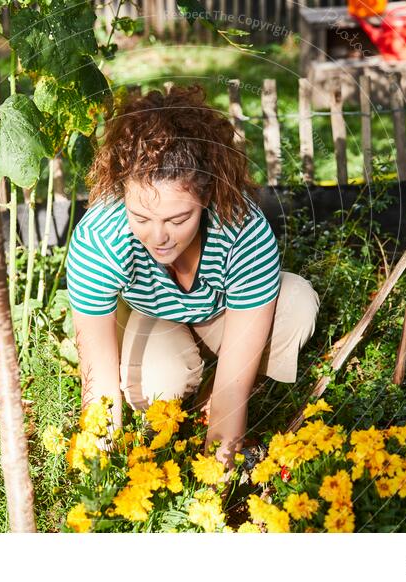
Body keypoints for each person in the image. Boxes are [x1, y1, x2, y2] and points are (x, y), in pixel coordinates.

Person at [65, 84, 319, 467]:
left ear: (206, 196)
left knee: (297, 303)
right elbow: (97, 378)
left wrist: (217, 472)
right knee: (160, 380)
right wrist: (99, 470)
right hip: (155, 315)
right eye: (142, 218)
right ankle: (176, 401)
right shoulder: (99, 239)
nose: (158, 236)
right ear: (123, 194)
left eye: (178, 218)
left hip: (222, 313)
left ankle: (211, 402)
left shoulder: (241, 230)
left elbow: (234, 392)